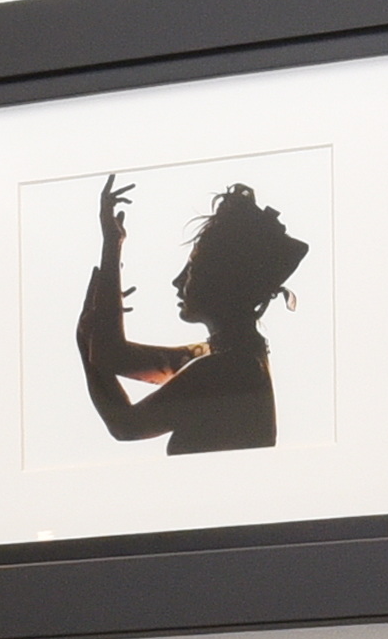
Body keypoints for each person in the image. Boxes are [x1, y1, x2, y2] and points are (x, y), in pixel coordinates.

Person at [75, 174, 309, 454]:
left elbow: (127, 425)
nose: (178, 281)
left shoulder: (226, 368)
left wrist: (84, 334)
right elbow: (113, 355)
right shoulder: (232, 355)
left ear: (223, 281)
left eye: (192, 270)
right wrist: (112, 244)